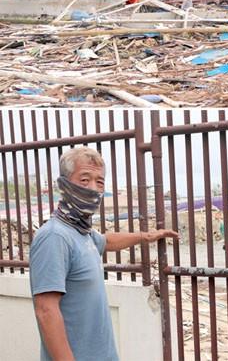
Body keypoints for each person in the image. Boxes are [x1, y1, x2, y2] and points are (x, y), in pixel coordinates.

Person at [29, 147, 178, 361]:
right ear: (64, 184)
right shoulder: (55, 236)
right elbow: (46, 310)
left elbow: (107, 240)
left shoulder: (81, 232)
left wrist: (146, 236)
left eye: (99, 182)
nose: (93, 189)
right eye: (84, 180)